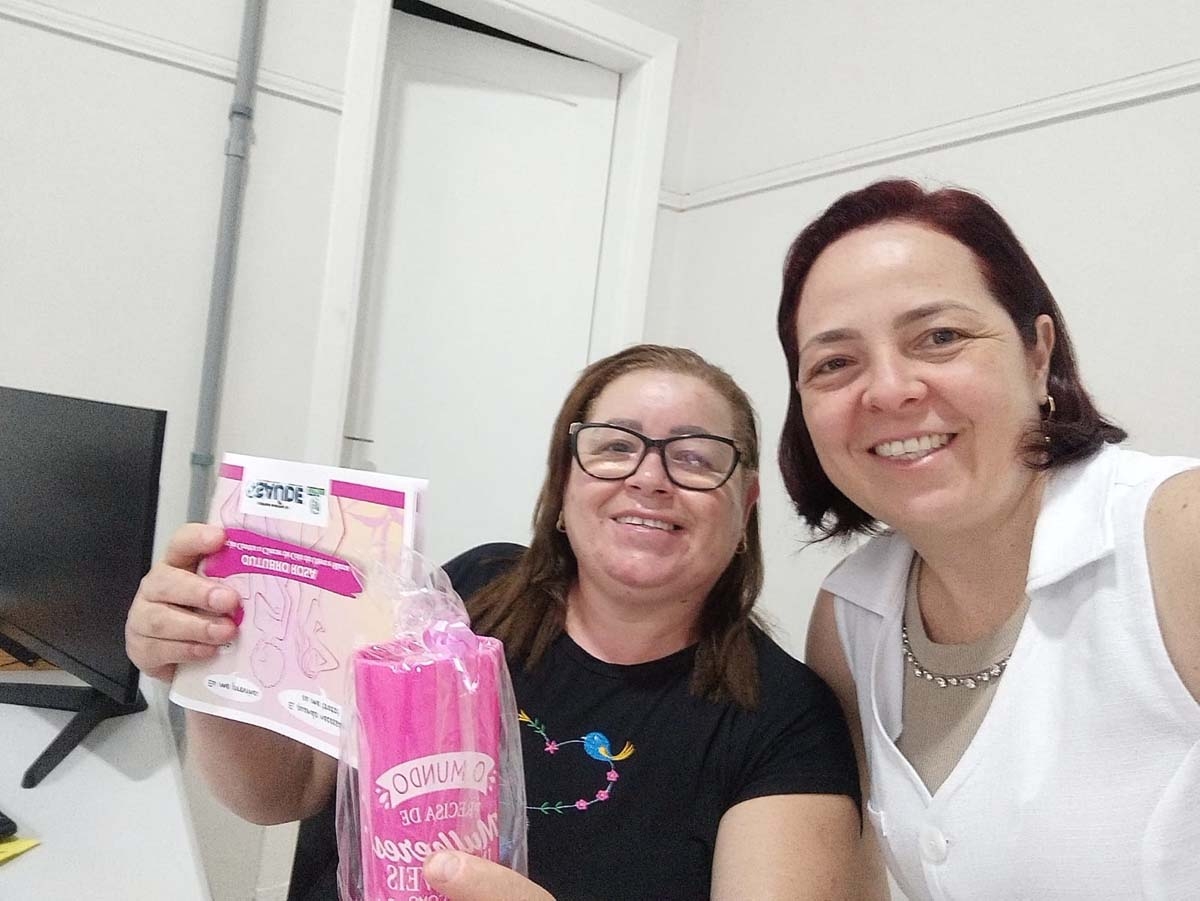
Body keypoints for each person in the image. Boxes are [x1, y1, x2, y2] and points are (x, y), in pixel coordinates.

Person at [127, 344, 864, 900]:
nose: (649, 477)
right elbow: (282, 793)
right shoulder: (468, 594)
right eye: (615, 446)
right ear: (564, 485)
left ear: (744, 507)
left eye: (697, 458)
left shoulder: (785, 721)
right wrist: (211, 663)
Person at [775, 178, 1200, 899]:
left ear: (1038, 355)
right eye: (835, 363)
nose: (889, 390)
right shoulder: (850, 614)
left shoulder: (1173, 535)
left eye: (939, 337)